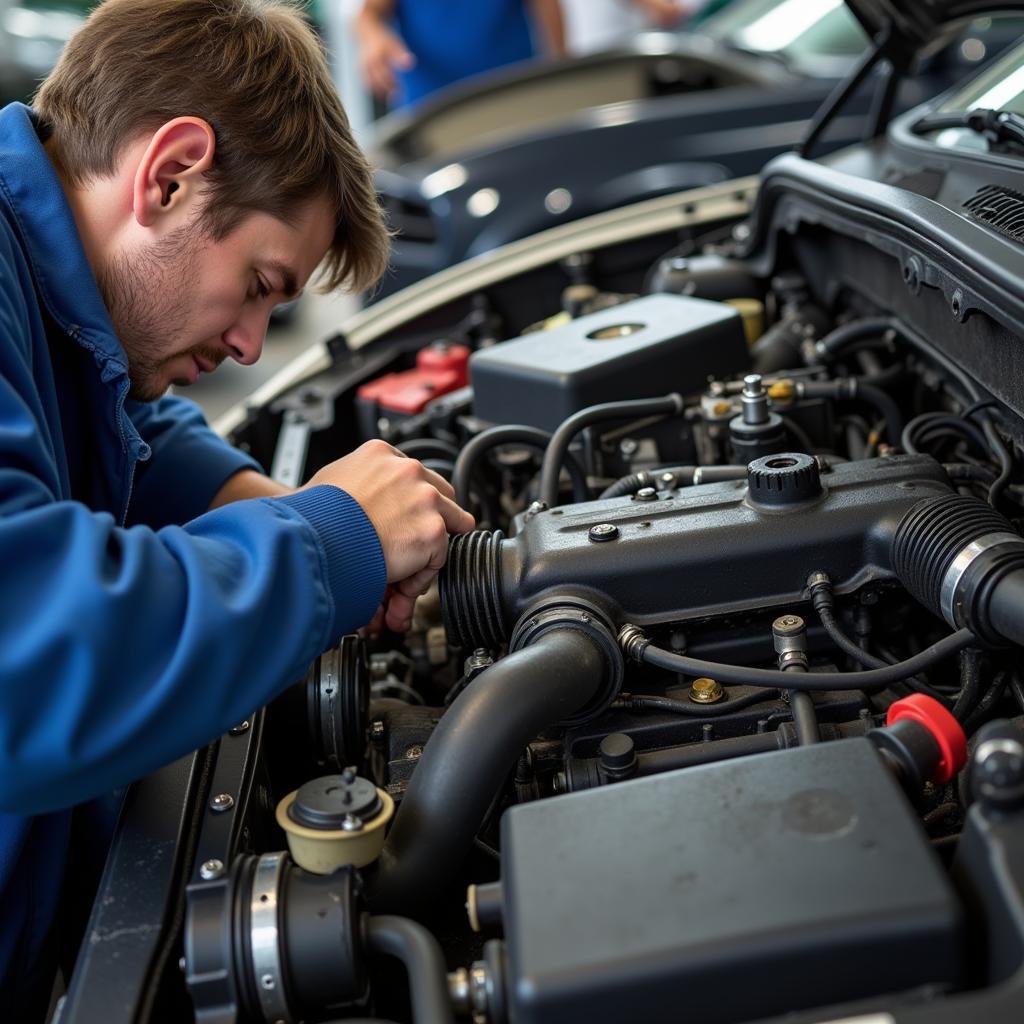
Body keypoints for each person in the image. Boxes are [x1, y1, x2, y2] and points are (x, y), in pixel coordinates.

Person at [0, 0, 475, 1015]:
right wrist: (329, 537)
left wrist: (266, 499)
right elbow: (19, 655)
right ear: (169, 174)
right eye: (259, 284)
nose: (256, 346)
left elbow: (112, 411)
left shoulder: (41, 280)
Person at [353, 0, 566, 107]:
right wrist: (374, 38)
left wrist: (560, 77)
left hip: (513, 97)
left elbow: (546, 5)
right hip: (431, 110)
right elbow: (369, 14)